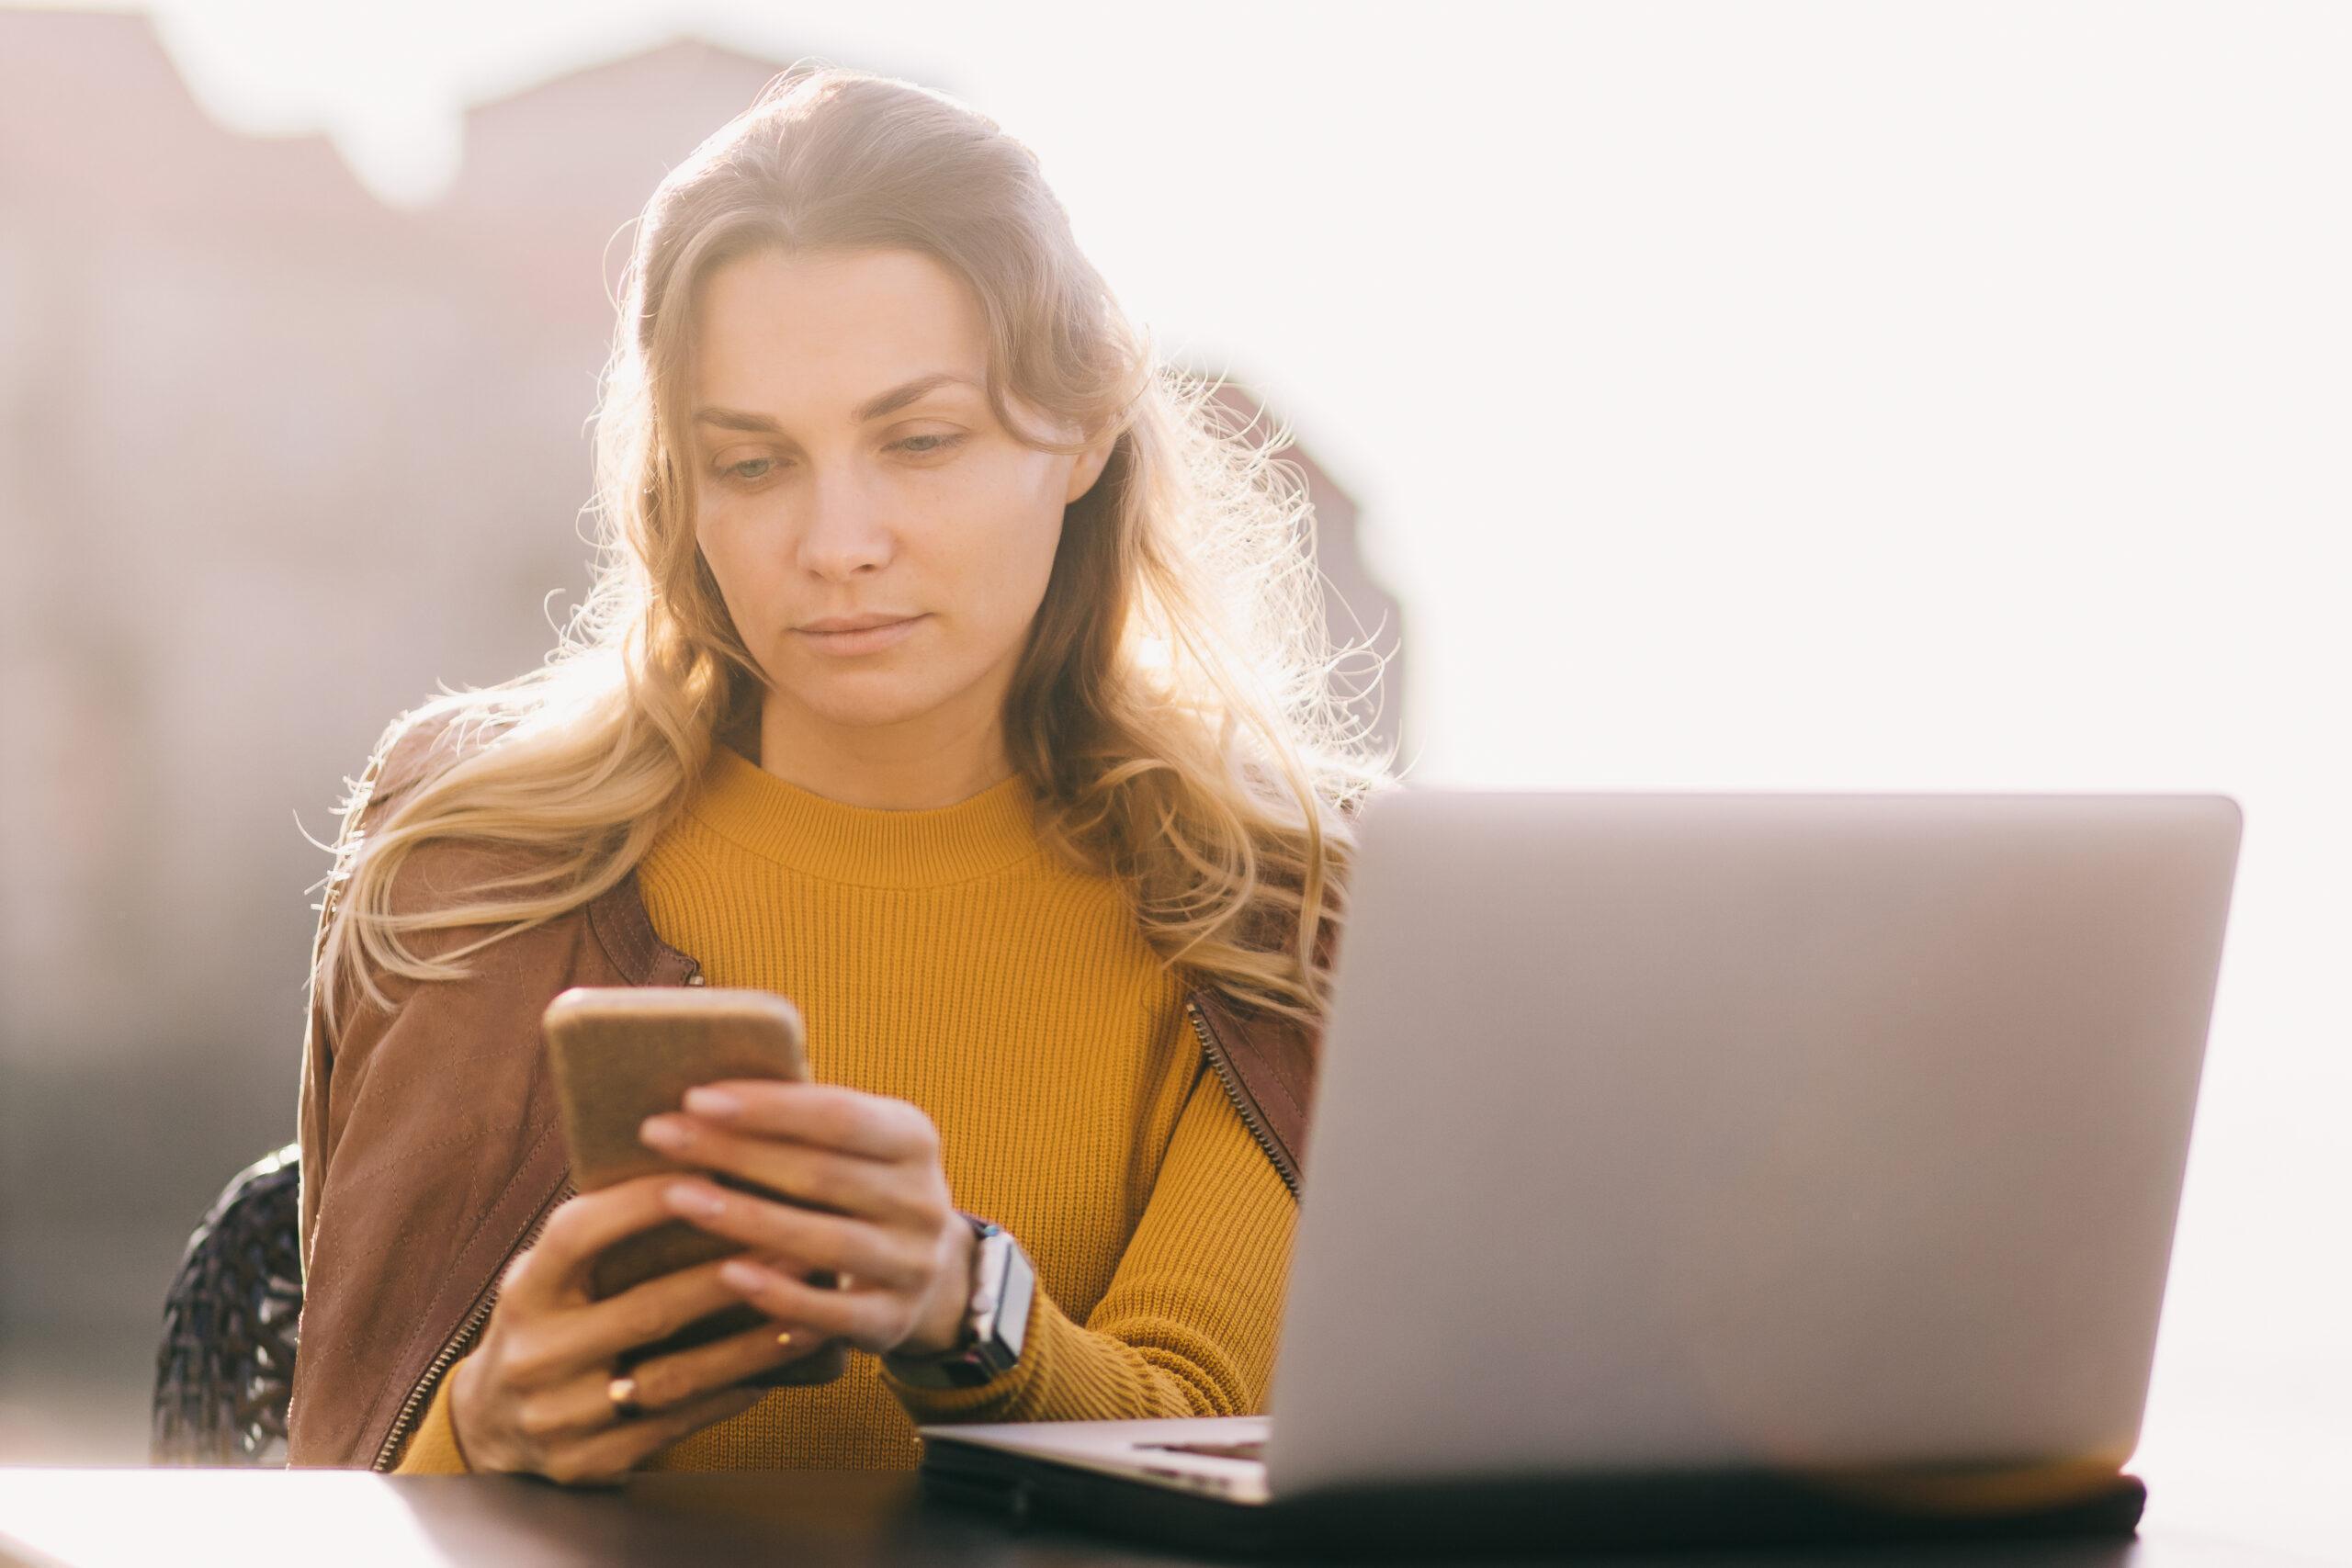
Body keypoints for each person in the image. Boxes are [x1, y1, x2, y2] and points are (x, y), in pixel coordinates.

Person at [284, 64, 1395, 1483]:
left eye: (918, 441)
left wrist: (958, 1303)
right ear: (680, 484)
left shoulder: (1292, 902)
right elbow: (341, 1481)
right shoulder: (469, 862)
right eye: (753, 465)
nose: (837, 542)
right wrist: (485, 1432)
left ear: (1083, 429)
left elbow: (1194, 1425)